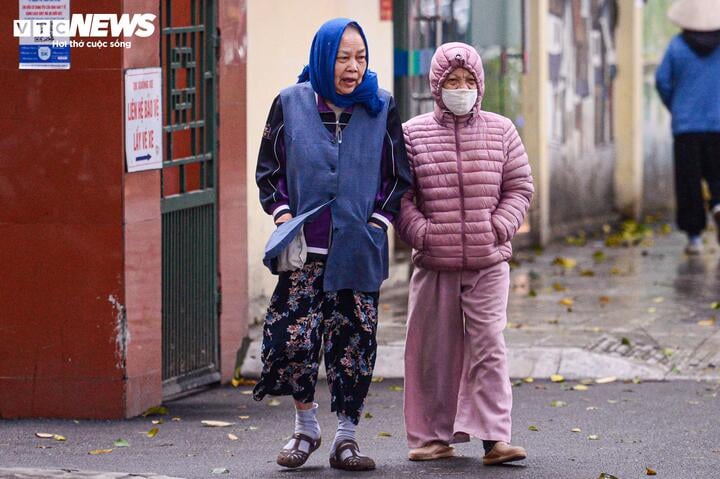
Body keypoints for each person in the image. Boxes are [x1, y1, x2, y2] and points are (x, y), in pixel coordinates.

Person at [253, 18, 410, 471]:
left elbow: (398, 175)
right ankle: (306, 429)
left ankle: (347, 438)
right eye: (343, 57)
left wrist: (377, 222)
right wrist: (282, 213)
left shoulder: (381, 106)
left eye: (360, 57)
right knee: (293, 341)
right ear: (324, 57)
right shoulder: (290, 103)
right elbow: (270, 168)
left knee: (353, 344)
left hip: (357, 249)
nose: (353, 67)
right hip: (302, 252)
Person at [396, 42, 533, 466]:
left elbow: (519, 188)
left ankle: (495, 437)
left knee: (489, 343)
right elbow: (400, 197)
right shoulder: (412, 134)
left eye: (468, 81)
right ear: (436, 86)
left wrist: (499, 227)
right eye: (452, 81)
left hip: (488, 261)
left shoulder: (502, 130)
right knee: (432, 351)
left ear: (480, 85)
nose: (461, 88)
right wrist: (422, 233)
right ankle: (432, 437)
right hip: (435, 263)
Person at [656, 0, 720, 255]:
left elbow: (662, 81)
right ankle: (718, 206)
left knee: (688, 182)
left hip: (686, 127)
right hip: (718, 126)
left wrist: (678, 106)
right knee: (718, 177)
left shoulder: (677, 47)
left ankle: (694, 238)